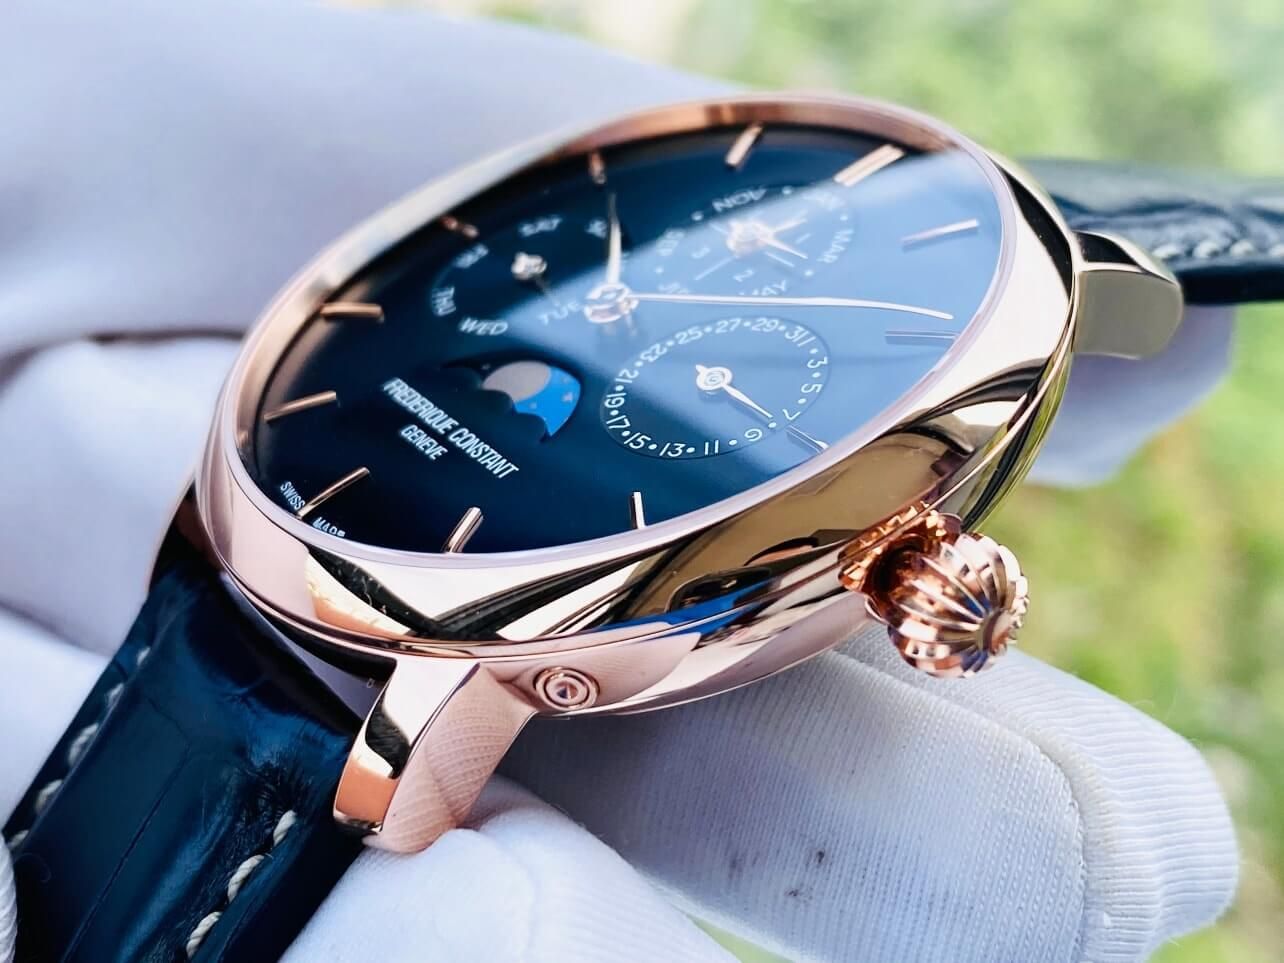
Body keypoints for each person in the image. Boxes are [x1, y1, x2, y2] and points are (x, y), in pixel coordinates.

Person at [0, 1, 1239, 959]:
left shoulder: (918, 449)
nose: (614, 306)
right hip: (260, 488)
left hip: (441, 642)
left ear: (915, 563)